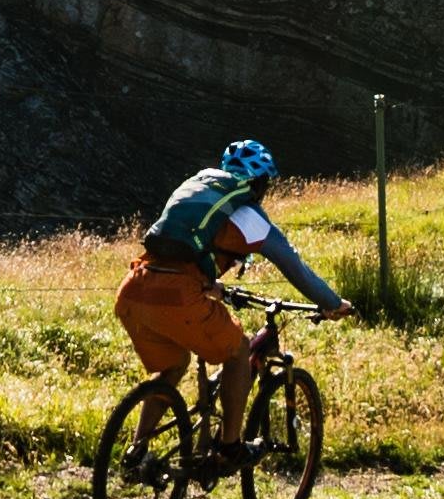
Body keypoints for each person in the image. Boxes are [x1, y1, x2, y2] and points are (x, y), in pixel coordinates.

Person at [115, 138, 348, 457]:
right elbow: (296, 268)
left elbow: (190, 254)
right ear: (260, 182)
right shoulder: (249, 215)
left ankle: (137, 450)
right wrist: (333, 303)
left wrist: (216, 287)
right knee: (238, 351)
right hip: (179, 294)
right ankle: (230, 446)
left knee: (173, 366)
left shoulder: (203, 191)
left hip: (134, 288)